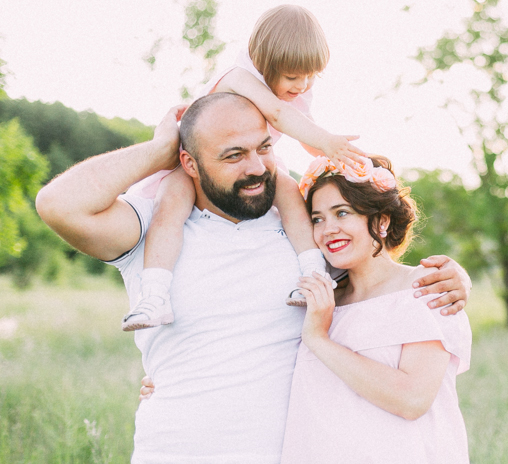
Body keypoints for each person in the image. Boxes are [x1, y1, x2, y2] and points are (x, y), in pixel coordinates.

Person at [35, 94, 471, 463]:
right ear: (188, 162)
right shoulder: (155, 232)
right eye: (233, 155)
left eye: (263, 148)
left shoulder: (306, 232)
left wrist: (455, 278)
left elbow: (376, 262)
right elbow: (59, 205)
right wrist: (158, 149)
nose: (257, 167)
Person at [122, 4, 366, 332]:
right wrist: (325, 140)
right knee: (169, 211)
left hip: (251, 162)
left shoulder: (297, 90)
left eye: (311, 76)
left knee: (291, 194)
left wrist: (337, 155)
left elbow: (304, 128)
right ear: (264, 64)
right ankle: (154, 295)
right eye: (293, 77)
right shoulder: (240, 78)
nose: (303, 85)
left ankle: (312, 272)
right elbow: (279, 115)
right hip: (197, 163)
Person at [280, 155, 470, 463]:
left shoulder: (425, 288)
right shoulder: (322, 299)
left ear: (381, 221)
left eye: (342, 213)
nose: (328, 230)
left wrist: (318, 339)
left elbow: (412, 399)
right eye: (317, 219)